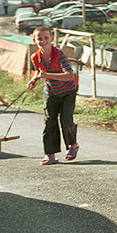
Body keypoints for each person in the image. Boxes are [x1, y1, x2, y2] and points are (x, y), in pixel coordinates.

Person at [27, 26, 79, 166]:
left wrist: (46, 75)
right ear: (34, 40)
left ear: (52, 39)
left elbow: (69, 76)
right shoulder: (35, 57)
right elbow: (39, 71)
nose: (43, 41)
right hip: (51, 93)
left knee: (66, 120)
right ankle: (50, 155)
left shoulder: (59, 54)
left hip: (68, 92)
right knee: (49, 121)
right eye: (39, 39)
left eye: (46, 38)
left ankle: (72, 145)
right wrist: (34, 79)